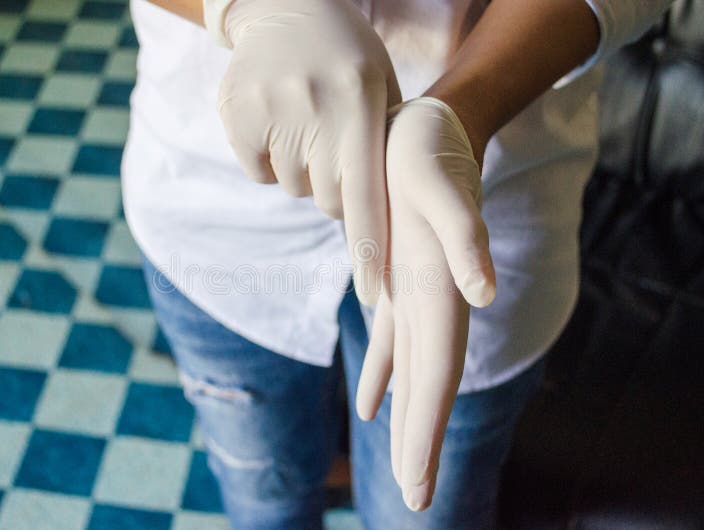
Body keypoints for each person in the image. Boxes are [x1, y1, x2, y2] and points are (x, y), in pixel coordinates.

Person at [122, 1, 672, 528]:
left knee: (423, 514)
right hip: (215, 212)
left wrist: (461, 112)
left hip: (484, 203)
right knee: (262, 492)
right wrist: (246, 7)